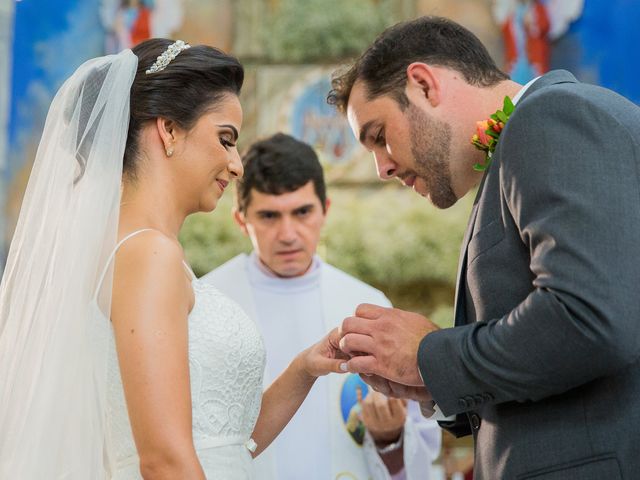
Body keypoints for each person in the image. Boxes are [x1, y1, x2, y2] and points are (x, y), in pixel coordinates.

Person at [0, 39, 347, 479]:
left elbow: (223, 443)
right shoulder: (148, 254)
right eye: (226, 139)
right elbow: (164, 460)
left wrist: (304, 369)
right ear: (169, 130)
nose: (236, 165)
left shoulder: (137, 250)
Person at [327, 15, 640, 479]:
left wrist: (428, 356)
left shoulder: (552, 118)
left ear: (423, 85)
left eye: (379, 136)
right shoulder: (525, 143)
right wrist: (429, 383)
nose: (381, 168)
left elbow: (589, 318)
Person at [201, 133, 441, 480]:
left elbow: (416, 448)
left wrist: (389, 438)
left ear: (324, 210)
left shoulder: (367, 305)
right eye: (269, 216)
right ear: (241, 220)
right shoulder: (207, 300)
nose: (288, 233)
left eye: (302, 212)